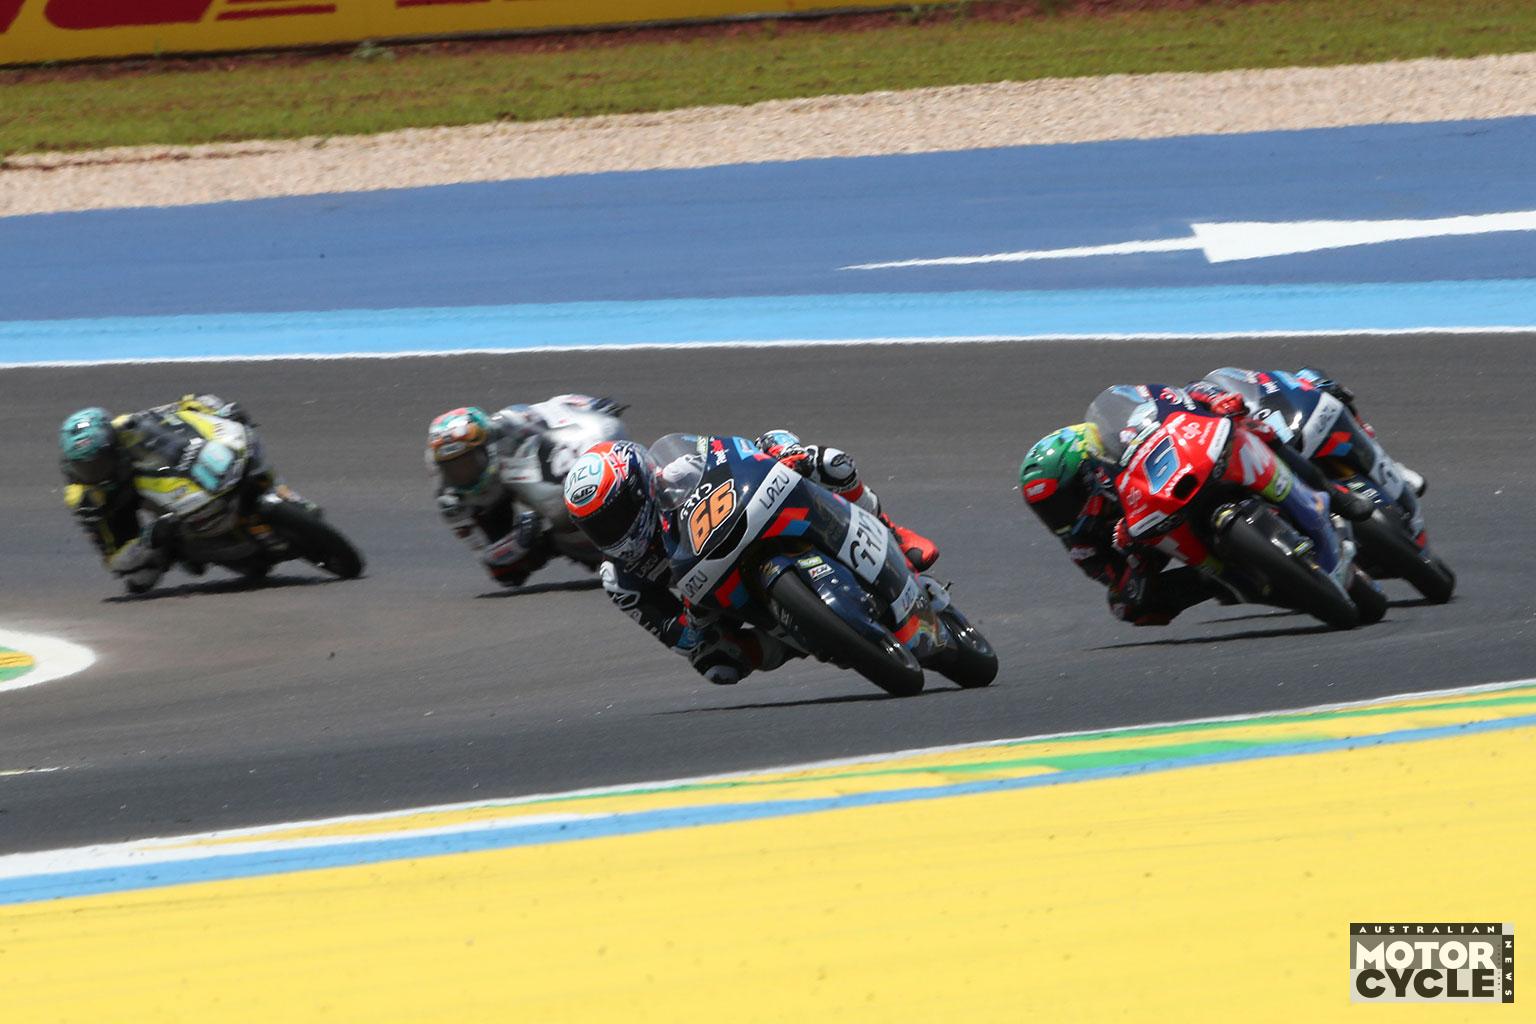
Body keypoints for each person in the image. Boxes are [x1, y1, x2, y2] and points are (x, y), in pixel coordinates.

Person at [563, 432, 936, 685]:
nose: (609, 533)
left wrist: (781, 451)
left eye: (614, 516)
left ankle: (892, 532)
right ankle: (808, 634)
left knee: (828, 462)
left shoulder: (679, 470)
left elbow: (739, 450)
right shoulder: (620, 578)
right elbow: (678, 637)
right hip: (713, 597)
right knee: (716, 664)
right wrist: (695, 623)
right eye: (595, 527)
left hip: (747, 518)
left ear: (641, 486)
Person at [1019, 383, 1369, 626]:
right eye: (1047, 510)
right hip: (1162, 537)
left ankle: (1332, 493)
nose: (1060, 516)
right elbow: (1119, 585)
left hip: (1184, 475)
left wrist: (1214, 399)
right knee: (1129, 608)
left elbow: (1174, 397)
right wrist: (1134, 557)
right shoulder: (1082, 543)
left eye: (1063, 500)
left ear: (1089, 472)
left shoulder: (1121, 439)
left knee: (1251, 424)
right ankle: (1238, 581)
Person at [60, 394, 254, 593]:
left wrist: (215, 410)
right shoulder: (84, 498)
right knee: (139, 579)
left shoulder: (127, 426)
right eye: (84, 468)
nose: (96, 472)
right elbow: (113, 558)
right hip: (122, 509)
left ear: (113, 445)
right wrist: (150, 538)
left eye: (100, 463)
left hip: (145, 473)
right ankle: (182, 549)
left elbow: (178, 410)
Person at [427, 395, 627, 588]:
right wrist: (519, 541)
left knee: (562, 493)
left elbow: (552, 408)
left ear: (488, 448)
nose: (463, 473)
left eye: (469, 462)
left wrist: (590, 408)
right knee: (511, 574)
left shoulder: (509, 424)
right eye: (453, 468)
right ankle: (557, 541)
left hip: (512, 468)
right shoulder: (450, 498)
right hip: (494, 503)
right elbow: (493, 565)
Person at [1192, 366, 1426, 497]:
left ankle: (1387, 460)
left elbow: (1258, 380)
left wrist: (1222, 400)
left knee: (1314, 377)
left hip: (1275, 421)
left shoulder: (1198, 391)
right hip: (1254, 454)